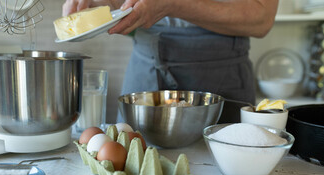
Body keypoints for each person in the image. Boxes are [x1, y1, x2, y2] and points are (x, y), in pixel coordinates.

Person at [62, 0, 279, 122]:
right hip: (145, 69)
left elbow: (261, 19)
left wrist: (171, 4)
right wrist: (101, 4)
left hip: (221, 75)